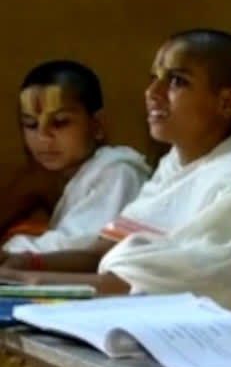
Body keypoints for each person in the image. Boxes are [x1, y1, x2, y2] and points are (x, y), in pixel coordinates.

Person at [0, 29, 231, 313]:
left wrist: (31, 281)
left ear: (227, 102)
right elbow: (107, 251)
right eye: (153, 78)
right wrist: (29, 262)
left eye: (176, 81)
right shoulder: (173, 165)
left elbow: (161, 285)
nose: (152, 93)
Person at [2, 60, 147, 253]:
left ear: (98, 125)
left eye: (60, 122)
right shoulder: (59, 179)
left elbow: (79, 245)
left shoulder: (118, 172)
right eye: (31, 124)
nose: (43, 137)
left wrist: (11, 250)